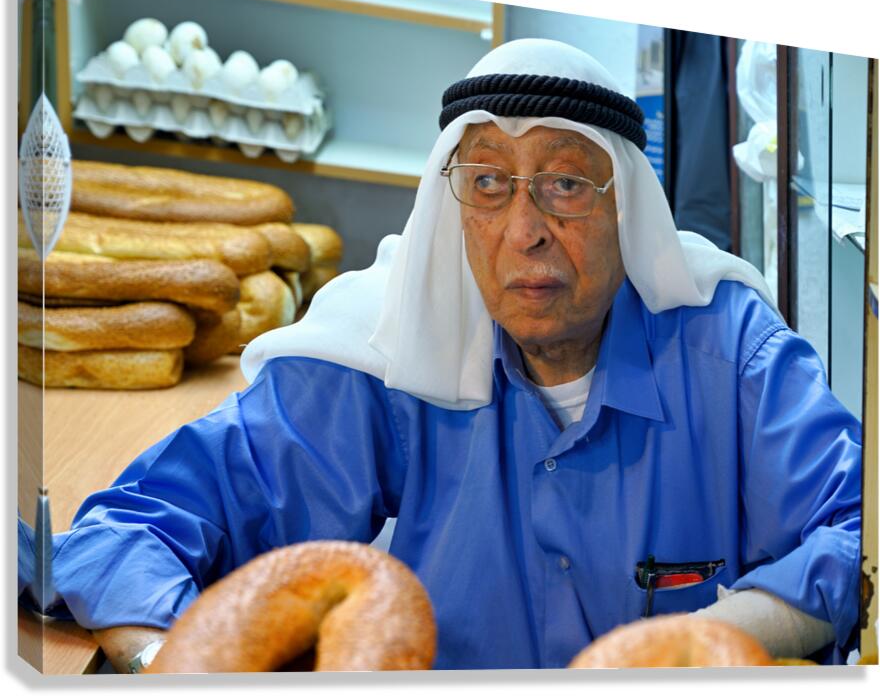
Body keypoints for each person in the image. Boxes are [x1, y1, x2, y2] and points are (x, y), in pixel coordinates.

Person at [25, 39, 861, 671]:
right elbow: (126, 530)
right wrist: (169, 664)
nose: (522, 229)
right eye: (489, 183)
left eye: (566, 184)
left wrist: (728, 629)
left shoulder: (732, 357)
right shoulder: (389, 356)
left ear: (628, 211)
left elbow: (859, 528)